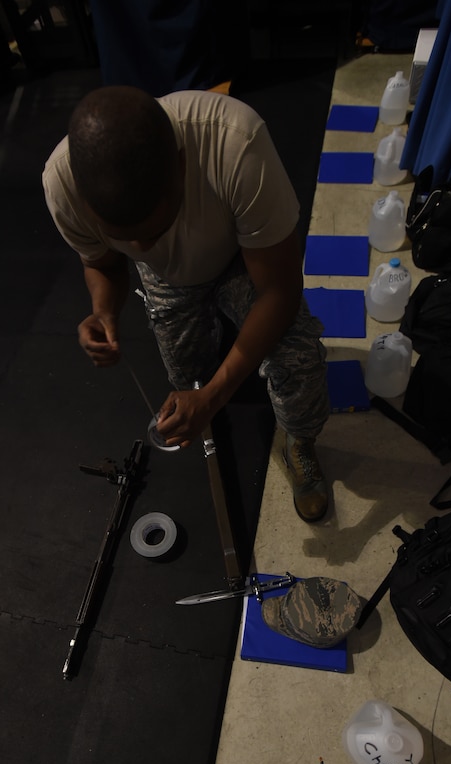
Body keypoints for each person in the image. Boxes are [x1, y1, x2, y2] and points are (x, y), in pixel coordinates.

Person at [42, 85, 330, 522]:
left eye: (154, 229)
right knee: (184, 381)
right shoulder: (62, 184)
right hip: (166, 278)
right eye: (126, 234)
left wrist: (215, 396)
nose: (141, 244)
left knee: (298, 355)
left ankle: (299, 440)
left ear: (181, 165)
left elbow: (280, 292)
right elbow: (103, 264)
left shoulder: (237, 145)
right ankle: (210, 375)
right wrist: (104, 310)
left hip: (242, 258)